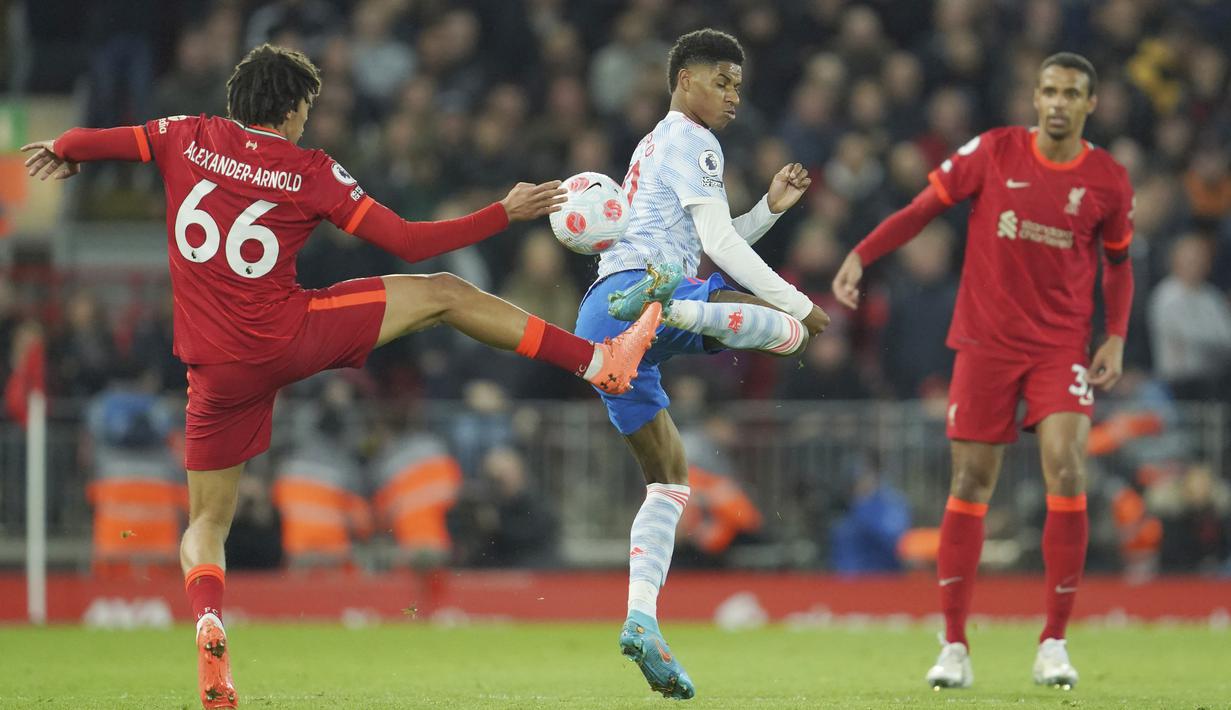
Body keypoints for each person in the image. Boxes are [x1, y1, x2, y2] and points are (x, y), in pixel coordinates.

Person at [22, 44, 663, 710]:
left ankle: (209, 624)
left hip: (213, 369)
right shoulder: (310, 170)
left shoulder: (185, 134)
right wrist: (505, 211)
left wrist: (66, 149)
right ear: (293, 109)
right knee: (443, 291)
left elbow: (94, 139)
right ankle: (598, 361)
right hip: (288, 335)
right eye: (307, 110)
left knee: (206, 522)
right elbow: (409, 242)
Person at [831, 52, 1135, 690]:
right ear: (1035, 96)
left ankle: (1053, 639)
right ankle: (954, 645)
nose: (1056, 102)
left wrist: (1114, 337)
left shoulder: (1107, 179)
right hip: (987, 343)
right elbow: (921, 209)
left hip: (1059, 348)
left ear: (1090, 104)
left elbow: (1118, 264)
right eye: (1047, 90)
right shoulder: (994, 151)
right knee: (970, 480)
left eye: (1070, 93)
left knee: (1069, 464)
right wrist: (862, 253)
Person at [576, 28, 829, 700]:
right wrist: (800, 304)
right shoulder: (694, 140)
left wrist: (766, 211)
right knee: (789, 336)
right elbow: (711, 247)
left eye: (738, 85)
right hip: (649, 299)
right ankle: (674, 311)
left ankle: (640, 620)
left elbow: (698, 248)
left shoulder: (656, 144)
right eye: (722, 81)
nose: (733, 96)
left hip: (608, 318)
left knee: (669, 481)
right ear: (685, 79)